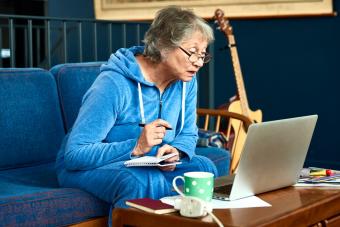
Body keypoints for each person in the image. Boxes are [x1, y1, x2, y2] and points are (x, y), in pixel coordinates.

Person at [55, 5, 222, 211]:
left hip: (147, 162)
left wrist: (176, 151)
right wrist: (136, 146)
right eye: (192, 53)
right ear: (163, 46)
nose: (198, 63)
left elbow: (188, 132)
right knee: (143, 181)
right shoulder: (113, 84)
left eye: (203, 55)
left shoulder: (186, 81)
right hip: (85, 167)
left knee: (204, 168)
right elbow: (75, 154)